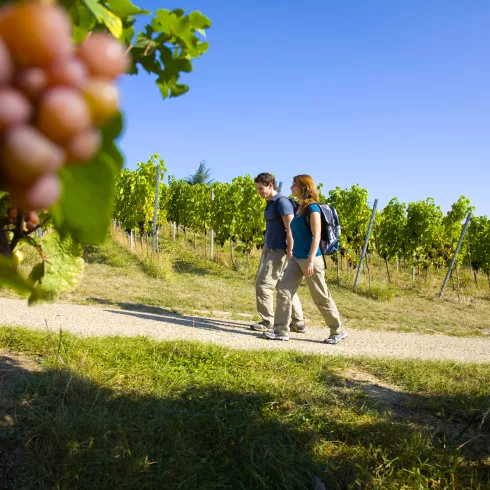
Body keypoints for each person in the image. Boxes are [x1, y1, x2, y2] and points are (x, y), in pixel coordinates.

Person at [264, 174, 348, 344]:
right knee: (284, 291)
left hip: (311, 260)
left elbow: (316, 237)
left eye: (294, 185)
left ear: (303, 187)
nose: (290, 188)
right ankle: (280, 330)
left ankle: (338, 330)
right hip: (296, 258)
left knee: (321, 297)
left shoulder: (313, 209)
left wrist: (310, 261)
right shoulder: (299, 208)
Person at [250, 173, 305, 333]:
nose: (259, 192)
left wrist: (289, 251)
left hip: (281, 252)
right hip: (274, 249)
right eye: (257, 189)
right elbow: (271, 228)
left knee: (263, 284)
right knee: (284, 286)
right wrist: (267, 246)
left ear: (271, 186)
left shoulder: (282, 203)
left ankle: (267, 321)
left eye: (261, 188)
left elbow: (290, 228)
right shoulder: (270, 203)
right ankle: (298, 322)